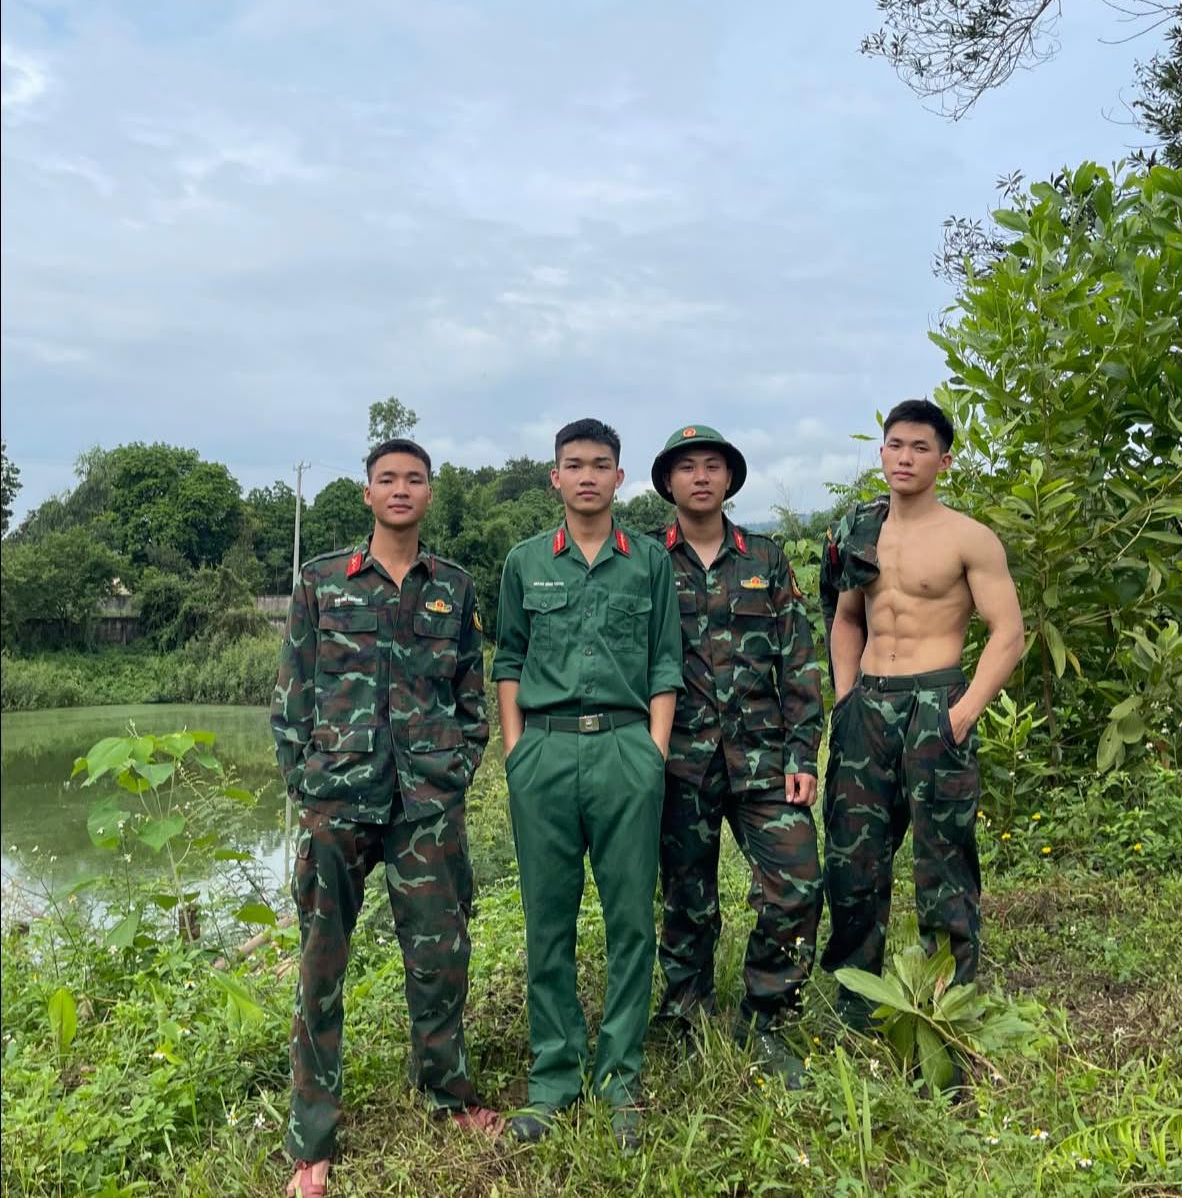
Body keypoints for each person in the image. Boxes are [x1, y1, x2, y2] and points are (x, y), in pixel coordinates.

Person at [270, 440, 501, 1198]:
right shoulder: (321, 581)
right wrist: (309, 787)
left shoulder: (453, 588)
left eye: (415, 479)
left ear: (430, 493)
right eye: (387, 479)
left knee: (441, 956)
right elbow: (292, 696)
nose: (401, 489)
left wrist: (455, 771)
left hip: (425, 805)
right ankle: (312, 1137)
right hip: (338, 801)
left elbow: (471, 694)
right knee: (320, 967)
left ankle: (448, 1093)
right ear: (367, 493)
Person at [492, 418, 683, 1149]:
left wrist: (652, 754)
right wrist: (516, 754)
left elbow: (664, 661)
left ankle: (620, 1078)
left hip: (625, 752)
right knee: (548, 921)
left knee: (631, 921)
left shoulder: (648, 563)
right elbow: (509, 660)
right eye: (574, 465)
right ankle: (553, 1078)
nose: (587, 477)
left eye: (601, 464)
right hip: (544, 752)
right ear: (555, 478)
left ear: (620, 477)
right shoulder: (525, 561)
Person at [820, 399, 1024, 1034]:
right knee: (853, 856)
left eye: (920, 448)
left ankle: (947, 1001)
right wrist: (846, 697)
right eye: (895, 445)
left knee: (944, 859)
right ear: (881, 452)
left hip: (936, 702)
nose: (904, 458)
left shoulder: (968, 537)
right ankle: (855, 997)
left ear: (944, 460)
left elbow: (1008, 633)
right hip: (868, 704)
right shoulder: (860, 530)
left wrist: (963, 712)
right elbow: (846, 618)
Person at [649, 425, 823, 1090]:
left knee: (797, 881)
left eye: (712, 465)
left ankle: (764, 1016)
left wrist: (803, 751)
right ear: (668, 482)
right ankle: (687, 1013)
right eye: (687, 467)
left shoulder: (766, 559)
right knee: (686, 899)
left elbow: (798, 660)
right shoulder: (645, 560)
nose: (700, 476)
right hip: (678, 761)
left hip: (763, 759)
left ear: (729, 479)